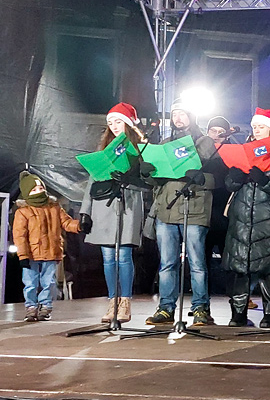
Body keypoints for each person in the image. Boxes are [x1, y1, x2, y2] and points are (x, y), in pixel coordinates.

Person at [145, 100, 219, 326]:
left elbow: (217, 178)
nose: (177, 118)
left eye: (182, 113)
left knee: (197, 263)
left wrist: (200, 177)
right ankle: (166, 307)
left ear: (192, 116)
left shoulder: (205, 142)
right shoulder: (164, 143)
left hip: (194, 208)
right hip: (166, 210)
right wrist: (148, 173)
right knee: (167, 263)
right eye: (174, 114)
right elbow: (154, 181)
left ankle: (200, 309)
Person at [222, 108, 270, 328]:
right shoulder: (244, 149)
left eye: (261, 126)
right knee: (240, 266)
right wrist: (234, 178)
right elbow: (230, 185)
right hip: (242, 216)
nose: (256, 130)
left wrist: (264, 181)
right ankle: (238, 313)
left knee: (267, 268)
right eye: (254, 127)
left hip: (268, 216)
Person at [80, 102, 148, 324]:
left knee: (123, 255)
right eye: (110, 123)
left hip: (127, 205)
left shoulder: (141, 148)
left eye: (118, 121)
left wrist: (131, 179)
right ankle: (112, 300)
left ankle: (125, 302)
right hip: (103, 207)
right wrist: (85, 212)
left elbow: (150, 183)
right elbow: (92, 181)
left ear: (128, 123)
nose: (114, 126)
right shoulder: (104, 150)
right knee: (108, 258)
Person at [13, 172, 82, 321]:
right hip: (32, 253)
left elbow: (66, 222)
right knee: (30, 282)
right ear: (27, 193)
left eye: (40, 188)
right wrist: (23, 255)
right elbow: (19, 236)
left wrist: (79, 225)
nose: (39, 192)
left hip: (51, 251)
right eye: (34, 190)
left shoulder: (54, 207)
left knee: (49, 282)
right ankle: (31, 307)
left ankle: (45, 306)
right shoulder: (23, 212)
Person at [205, 115, 237, 295]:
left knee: (230, 257)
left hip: (226, 212)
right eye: (213, 131)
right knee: (203, 258)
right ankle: (203, 299)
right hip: (205, 211)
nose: (216, 135)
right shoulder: (201, 151)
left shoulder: (233, 151)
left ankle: (237, 296)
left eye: (221, 132)